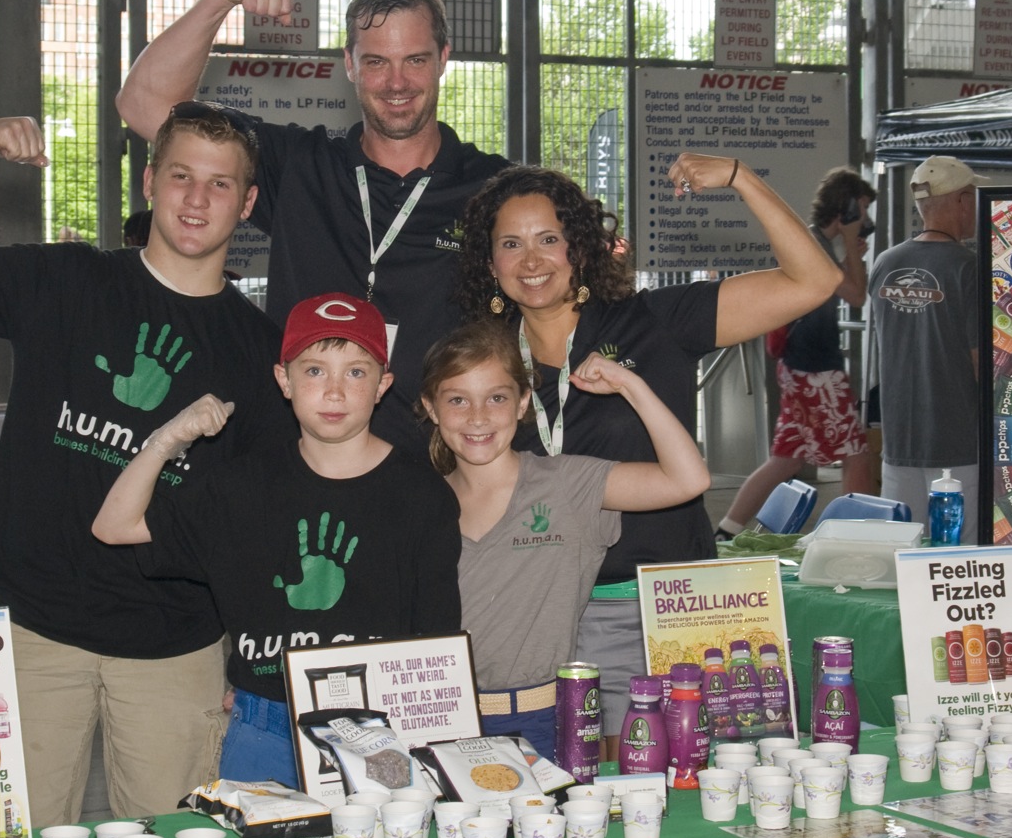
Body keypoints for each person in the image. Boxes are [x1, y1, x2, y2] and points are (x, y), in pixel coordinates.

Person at [0, 105, 289, 826]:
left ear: (248, 203)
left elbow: (255, 528)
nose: (197, 200)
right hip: (31, 630)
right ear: (147, 183)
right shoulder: (67, 280)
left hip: (174, 647)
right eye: (181, 177)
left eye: (220, 185)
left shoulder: (264, 354)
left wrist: (248, 660)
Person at [454, 154, 840, 737]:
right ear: (490, 261)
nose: (531, 260)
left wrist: (740, 178)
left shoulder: (653, 322)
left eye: (548, 239)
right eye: (511, 244)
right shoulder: (486, 362)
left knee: (691, 785)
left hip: (660, 605)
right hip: (534, 612)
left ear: (578, 249)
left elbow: (816, 280)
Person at [116, 0, 509, 450]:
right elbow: (142, 103)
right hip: (297, 470)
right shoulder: (301, 164)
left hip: (438, 480)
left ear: (444, 59)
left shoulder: (494, 189)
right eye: (377, 62)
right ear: (349, 63)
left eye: (416, 60)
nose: (397, 82)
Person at [92, 293, 462, 783]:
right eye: (314, 371)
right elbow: (113, 526)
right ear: (283, 380)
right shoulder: (240, 486)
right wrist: (165, 440)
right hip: (265, 728)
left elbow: (437, 645)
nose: (334, 391)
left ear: (383, 386)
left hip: (384, 727)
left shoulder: (423, 495)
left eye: (355, 372)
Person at [418, 322, 710, 752]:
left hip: (548, 721)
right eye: (458, 400)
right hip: (445, 719)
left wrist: (630, 385)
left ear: (522, 404)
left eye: (496, 398)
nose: (477, 417)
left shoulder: (567, 485)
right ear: (431, 407)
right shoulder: (421, 501)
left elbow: (687, 478)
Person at [720, 166, 878, 536]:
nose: (866, 219)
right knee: (856, 455)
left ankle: (727, 528)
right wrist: (853, 245)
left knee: (787, 458)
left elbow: (850, 287)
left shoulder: (815, 244)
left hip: (800, 366)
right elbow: (856, 295)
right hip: (816, 369)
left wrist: (852, 249)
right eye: (863, 209)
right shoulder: (812, 246)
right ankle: (858, 533)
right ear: (846, 208)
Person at [869, 155, 988, 527]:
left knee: (904, 549)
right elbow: (979, 360)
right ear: (962, 200)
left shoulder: (885, 263)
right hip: (956, 440)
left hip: (900, 439)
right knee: (957, 554)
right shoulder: (968, 268)